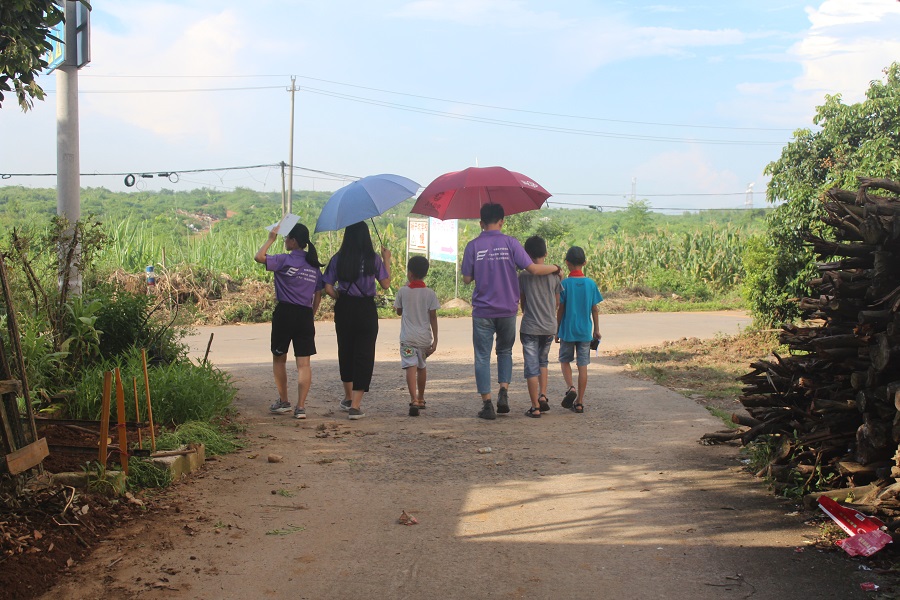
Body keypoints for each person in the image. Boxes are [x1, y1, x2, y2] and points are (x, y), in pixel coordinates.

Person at [461, 203, 560, 420]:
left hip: (483, 311)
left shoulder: (472, 246)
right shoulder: (511, 243)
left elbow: (467, 279)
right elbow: (533, 269)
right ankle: (503, 390)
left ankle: (487, 404)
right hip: (507, 309)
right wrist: (556, 268)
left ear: (481, 223)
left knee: (482, 356)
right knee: (504, 351)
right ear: (502, 222)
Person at [254, 221, 324, 419]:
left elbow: (259, 257)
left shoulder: (285, 260)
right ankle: (300, 407)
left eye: (286, 238)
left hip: (285, 313)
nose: (284, 240)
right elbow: (317, 294)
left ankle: (284, 401)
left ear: (293, 241)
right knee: (304, 364)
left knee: (279, 358)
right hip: (304, 315)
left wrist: (270, 239)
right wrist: (312, 313)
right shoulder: (313, 266)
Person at [323, 221, 391, 420]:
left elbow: (327, 287)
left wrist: (339, 296)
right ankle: (356, 405)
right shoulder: (373, 259)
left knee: (345, 350)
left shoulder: (338, 258)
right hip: (366, 309)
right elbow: (386, 284)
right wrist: (386, 259)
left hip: (345, 307)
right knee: (364, 353)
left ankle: (347, 396)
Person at [518, 236, 562, 418]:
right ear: (545, 253)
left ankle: (534, 406)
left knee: (531, 366)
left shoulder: (524, 276)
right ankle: (543, 396)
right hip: (549, 326)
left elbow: (523, 303)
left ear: (527, 254)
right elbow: (557, 302)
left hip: (530, 327)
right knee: (543, 362)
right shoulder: (555, 275)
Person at [556, 246, 602, 414]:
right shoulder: (591, 284)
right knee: (583, 365)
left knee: (564, 360)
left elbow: (560, 308)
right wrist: (596, 330)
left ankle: (571, 387)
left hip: (568, 331)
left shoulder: (565, 284)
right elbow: (594, 309)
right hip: (585, 332)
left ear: (567, 263)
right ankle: (580, 402)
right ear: (584, 263)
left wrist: (556, 329)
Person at [394, 255, 439, 416]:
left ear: (410, 273)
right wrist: (435, 341)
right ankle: (421, 398)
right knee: (422, 367)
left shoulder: (403, 291)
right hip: (424, 339)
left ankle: (413, 399)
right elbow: (433, 317)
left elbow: (399, 311)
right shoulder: (430, 293)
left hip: (407, 339)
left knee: (410, 367)